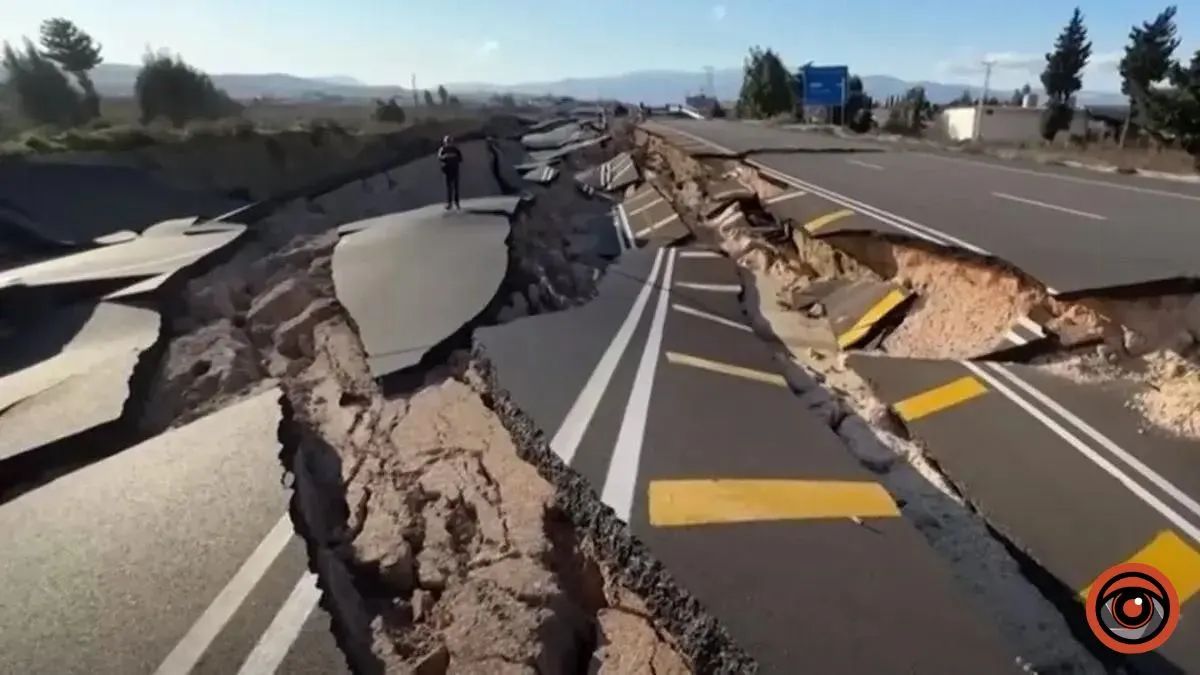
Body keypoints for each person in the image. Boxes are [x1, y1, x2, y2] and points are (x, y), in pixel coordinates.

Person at [437, 135, 463, 210]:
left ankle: (456, 202)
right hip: (447, 170)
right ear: (445, 142)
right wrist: (446, 156)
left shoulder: (455, 149)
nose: (448, 143)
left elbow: (460, 158)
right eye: (447, 141)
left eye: (450, 141)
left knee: (456, 187)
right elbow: (440, 158)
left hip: (455, 169)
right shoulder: (442, 149)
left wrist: (454, 157)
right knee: (449, 187)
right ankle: (449, 203)